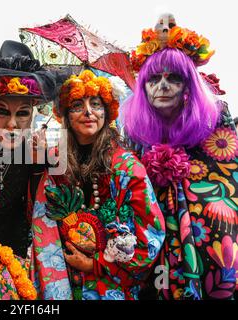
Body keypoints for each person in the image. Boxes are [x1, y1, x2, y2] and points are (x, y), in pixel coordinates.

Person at [121, 15, 237, 300]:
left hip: (210, 249)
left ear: (188, 86)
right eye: (153, 79)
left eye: (173, 77)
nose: (162, 86)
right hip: (154, 250)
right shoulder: (134, 135)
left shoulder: (216, 124)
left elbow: (227, 185)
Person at [29, 69, 165, 300]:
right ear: (65, 116)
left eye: (96, 104)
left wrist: (96, 265)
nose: (88, 112)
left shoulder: (127, 167)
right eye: (77, 106)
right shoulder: (56, 160)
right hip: (63, 279)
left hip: (109, 285)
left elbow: (152, 236)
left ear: (107, 112)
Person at [0, 40, 57, 258]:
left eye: (22, 113)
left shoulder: (36, 149)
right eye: (2, 111)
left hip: (14, 252)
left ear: (33, 115)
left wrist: (39, 164)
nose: (11, 124)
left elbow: (40, 209)